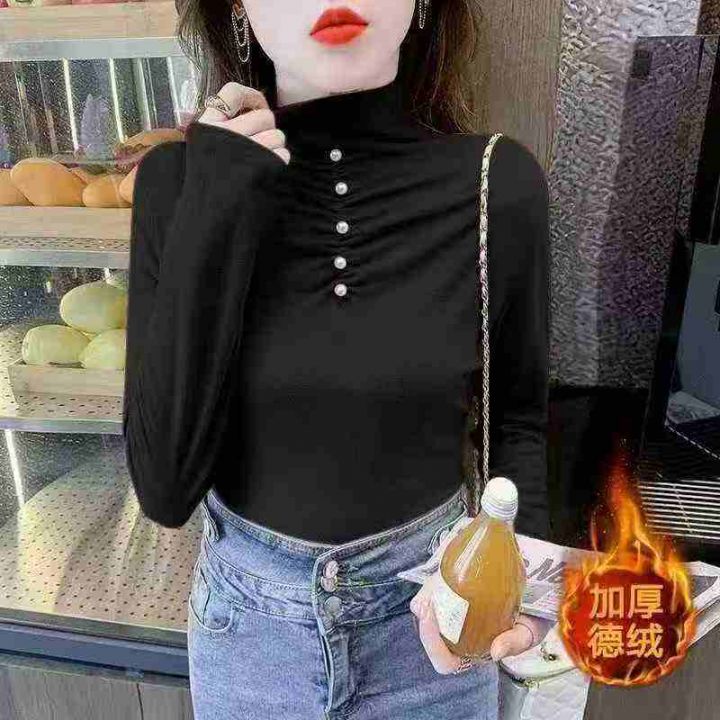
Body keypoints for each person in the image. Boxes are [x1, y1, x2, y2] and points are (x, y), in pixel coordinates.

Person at [122, 1, 552, 718]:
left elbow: (520, 422)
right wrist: (218, 200)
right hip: (248, 641)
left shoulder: (496, 182)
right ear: (238, 8)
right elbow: (165, 490)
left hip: (435, 630)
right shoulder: (180, 182)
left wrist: (523, 592)